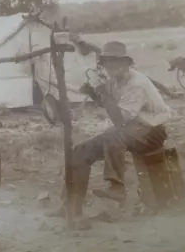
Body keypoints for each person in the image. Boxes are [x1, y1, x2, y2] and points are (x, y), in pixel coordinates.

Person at [46, 37, 172, 224]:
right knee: (79, 152)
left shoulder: (136, 84)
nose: (112, 66)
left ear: (126, 64)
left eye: (117, 62)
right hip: (130, 129)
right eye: (108, 63)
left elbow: (119, 118)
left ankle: (117, 187)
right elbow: (111, 108)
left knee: (111, 136)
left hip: (152, 131)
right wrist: (94, 93)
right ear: (103, 64)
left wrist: (102, 92)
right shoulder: (114, 81)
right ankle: (71, 206)